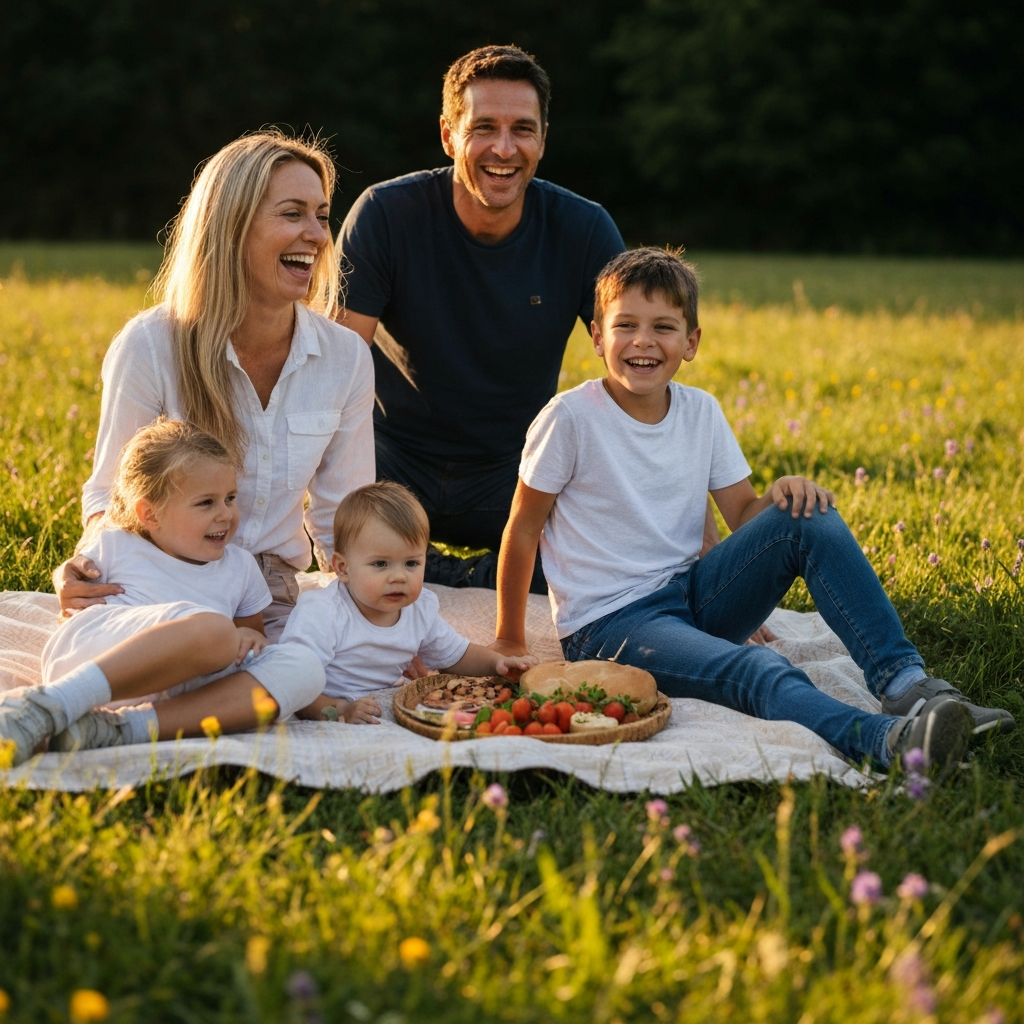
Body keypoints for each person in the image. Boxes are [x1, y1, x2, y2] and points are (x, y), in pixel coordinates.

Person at [494, 247, 1014, 773]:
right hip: (612, 626)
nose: (643, 341)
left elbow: (744, 513)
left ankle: (907, 686)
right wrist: (510, 638)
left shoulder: (702, 412)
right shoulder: (570, 419)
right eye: (624, 324)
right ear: (597, 336)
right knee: (757, 667)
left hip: (693, 593)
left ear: (691, 342)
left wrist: (782, 492)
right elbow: (523, 528)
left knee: (806, 515)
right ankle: (891, 742)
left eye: (664, 327)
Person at [53, 130, 375, 639]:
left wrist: (384, 621)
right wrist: (87, 565)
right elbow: (110, 493)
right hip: (163, 582)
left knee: (305, 671)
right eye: (292, 214)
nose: (317, 235)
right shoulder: (151, 344)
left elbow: (349, 517)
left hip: (271, 592)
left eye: (321, 215)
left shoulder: (345, 356)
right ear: (230, 228)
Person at [337, 45, 627, 592]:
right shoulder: (385, 214)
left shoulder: (583, 229)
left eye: (522, 128)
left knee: (599, 560)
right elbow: (334, 367)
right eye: (484, 127)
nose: (504, 148)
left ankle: (439, 576)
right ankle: (461, 575)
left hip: (513, 469)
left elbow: (635, 377)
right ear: (449, 135)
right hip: (393, 460)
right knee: (331, 524)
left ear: (543, 137)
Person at [0, 420, 326, 767]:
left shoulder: (240, 567)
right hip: (97, 658)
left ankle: (121, 729)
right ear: (150, 513)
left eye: (230, 498)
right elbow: (74, 587)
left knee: (305, 667)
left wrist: (248, 637)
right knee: (215, 631)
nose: (226, 514)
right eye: (206, 503)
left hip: (179, 689)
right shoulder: (115, 544)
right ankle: (47, 706)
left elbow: (253, 642)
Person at [281, 482, 536, 724]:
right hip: (326, 702)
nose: (399, 576)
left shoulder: (419, 610)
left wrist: (496, 664)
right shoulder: (323, 613)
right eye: (381, 564)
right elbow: (293, 685)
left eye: (411, 563)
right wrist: (342, 711)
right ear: (342, 568)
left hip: (381, 703)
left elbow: (457, 654)